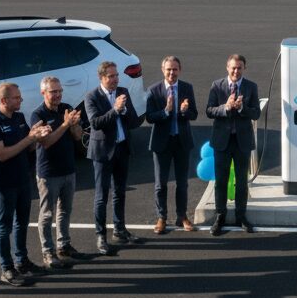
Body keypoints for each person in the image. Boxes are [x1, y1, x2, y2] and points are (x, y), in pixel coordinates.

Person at [0, 83, 53, 283]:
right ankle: (7, 268)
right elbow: (3, 154)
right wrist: (29, 138)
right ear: (4, 100)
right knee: (5, 226)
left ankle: (22, 261)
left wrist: (38, 137)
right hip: (4, 183)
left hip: (23, 179)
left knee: (22, 223)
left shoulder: (19, 118)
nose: (20, 100)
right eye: (16, 98)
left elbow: (27, 148)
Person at [84, 63, 144, 253]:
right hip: (102, 152)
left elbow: (134, 121)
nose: (115, 79)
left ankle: (119, 229)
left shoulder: (123, 91)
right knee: (102, 196)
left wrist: (125, 111)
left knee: (120, 192)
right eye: (111, 76)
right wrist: (116, 110)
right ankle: (101, 235)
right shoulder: (92, 96)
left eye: (116, 75)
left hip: (122, 149)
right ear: (101, 78)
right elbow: (95, 123)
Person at [30, 76, 84, 267]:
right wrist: (64, 124)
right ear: (43, 93)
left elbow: (78, 137)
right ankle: (48, 253)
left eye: (59, 91)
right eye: (53, 92)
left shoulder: (65, 108)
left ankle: (64, 245)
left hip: (68, 170)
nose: (58, 95)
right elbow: (46, 142)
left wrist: (75, 124)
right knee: (47, 214)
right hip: (48, 173)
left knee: (65, 210)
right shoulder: (38, 115)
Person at [207, 54, 262, 236]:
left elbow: (256, 114)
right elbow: (209, 110)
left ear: (244, 68)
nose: (236, 71)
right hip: (222, 141)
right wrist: (226, 107)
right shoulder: (217, 85)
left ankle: (240, 216)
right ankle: (220, 216)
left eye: (239, 67)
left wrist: (240, 108)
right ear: (227, 67)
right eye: (233, 67)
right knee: (220, 182)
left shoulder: (251, 87)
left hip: (242, 142)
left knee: (241, 182)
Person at [145, 56, 198, 234]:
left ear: (179, 70)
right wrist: (166, 111)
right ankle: (162, 217)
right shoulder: (154, 90)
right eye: (168, 69)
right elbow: (150, 117)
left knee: (182, 183)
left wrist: (184, 111)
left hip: (181, 142)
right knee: (161, 184)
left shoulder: (186, 88)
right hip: (162, 143)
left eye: (175, 69)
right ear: (163, 70)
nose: (171, 73)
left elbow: (194, 114)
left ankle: (182, 216)